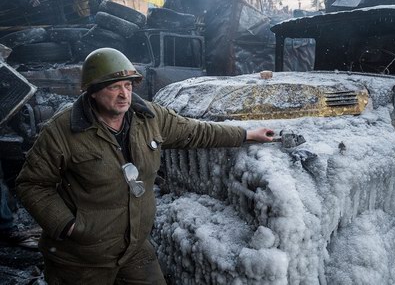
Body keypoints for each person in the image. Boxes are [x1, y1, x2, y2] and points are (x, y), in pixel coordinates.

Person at [16, 48, 273, 284]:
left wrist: (246, 135)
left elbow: (195, 132)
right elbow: (32, 184)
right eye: (114, 87)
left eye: (128, 85)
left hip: (134, 248)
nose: (124, 95)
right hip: (82, 256)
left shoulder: (148, 118)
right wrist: (67, 225)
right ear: (92, 92)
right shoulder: (62, 131)